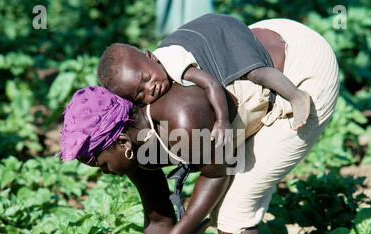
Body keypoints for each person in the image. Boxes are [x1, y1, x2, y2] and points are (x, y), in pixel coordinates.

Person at [60, 18, 339, 234]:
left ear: (121, 144)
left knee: (234, 206)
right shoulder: (132, 133)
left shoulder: (181, 118)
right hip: (249, 45)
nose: (103, 172)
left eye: (101, 165)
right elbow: (158, 219)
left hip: (297, 66)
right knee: (225, 170)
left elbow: (219, 172)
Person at [97, 14, 311, 148]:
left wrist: (222, 120)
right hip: (208, 31)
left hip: (222, 33)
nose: (150, 88)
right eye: (140, 93)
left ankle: (296, 96)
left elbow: (211, 84)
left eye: (146, 78)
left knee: (253, 72)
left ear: (150, 56)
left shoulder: (173, 63)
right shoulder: (155, 76)